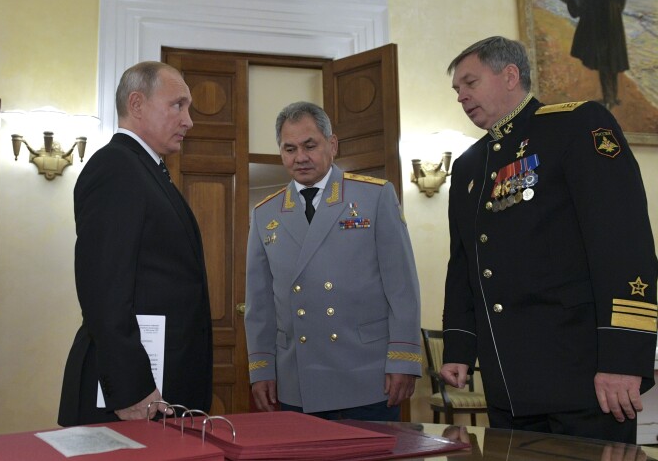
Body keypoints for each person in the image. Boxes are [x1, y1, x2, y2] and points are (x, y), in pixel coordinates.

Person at [440, 36, 657, 443]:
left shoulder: (575, 125)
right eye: (456, 90)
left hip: (585, 377)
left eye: (469, 83)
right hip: (509, 383)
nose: (461, 96)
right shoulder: (469, 165)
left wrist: (623, 357)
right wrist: (458, 347)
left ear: (509, 75)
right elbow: (464, 264)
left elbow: (624, 245)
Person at [58, 61, 212, 426]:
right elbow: (105, 292)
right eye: (178, 105)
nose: (189, 120)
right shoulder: (116, 168)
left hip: (158, 386)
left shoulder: (145, 169)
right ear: (137, 104)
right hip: (134, 397)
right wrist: (131, 389)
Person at [245, 101, 421, 421]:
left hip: (367, 375)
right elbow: (259, 305)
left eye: (310, 145)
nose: (300, 157)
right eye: (289, 148)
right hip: (297, 379)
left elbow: (402, 287)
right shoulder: (264, 214)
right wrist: (261, 369)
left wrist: (404, 359)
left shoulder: (374, 197)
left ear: (332, 144)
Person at [546, 0, 629, 108]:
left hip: (611, 19)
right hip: (595, 19)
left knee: (610, 58)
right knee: (602, 58)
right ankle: (610, 98)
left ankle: (610, 98)